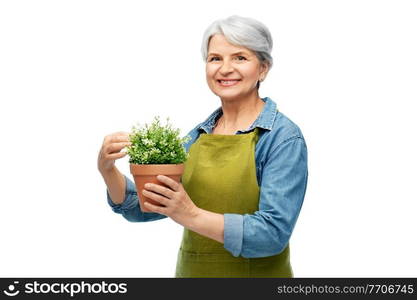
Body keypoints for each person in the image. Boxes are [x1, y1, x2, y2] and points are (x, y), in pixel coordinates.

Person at [97, 15, 308, 278]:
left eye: (240, 57)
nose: (225, 68)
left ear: (263, 68)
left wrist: (191, 215)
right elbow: (142, 208)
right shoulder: (197, 137)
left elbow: (272, 234)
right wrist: (107, 170)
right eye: (215, 58)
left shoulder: (281, 138)